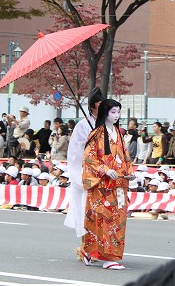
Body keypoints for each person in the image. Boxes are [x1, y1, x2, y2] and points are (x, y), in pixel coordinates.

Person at [81, 99, 134, 270]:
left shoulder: (118, 133)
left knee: (118, 218)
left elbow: (125, 156)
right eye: (113, 112)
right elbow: (89, 158)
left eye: (118, 112)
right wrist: (103, 169)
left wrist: (130, 171)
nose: (117, 115)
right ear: (105, 113)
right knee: (104, 219)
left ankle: (90, 252)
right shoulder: (96, 133)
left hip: (118, 183)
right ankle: (107, 257)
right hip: (102, 185)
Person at [67, 86, 105, 254]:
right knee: (85, 210)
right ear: (92, 106)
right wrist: (92, 141)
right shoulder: (82, 125)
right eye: (99, 103)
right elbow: (76, 151)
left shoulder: (108, 123)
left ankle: (100, 248)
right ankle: (85, 247)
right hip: (86, 172)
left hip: (104, 171)